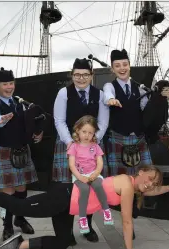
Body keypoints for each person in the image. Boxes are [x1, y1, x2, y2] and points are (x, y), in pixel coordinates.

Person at [0, 165, 169, 249]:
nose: (151, 184)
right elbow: (126, 221)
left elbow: (154, 190)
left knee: (64, 242)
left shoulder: (133, 186)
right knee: (20, 206)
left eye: (154, 183)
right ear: (141, 171)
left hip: (68, 208)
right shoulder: (125, 183)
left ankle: (19, 244)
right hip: (65, 197)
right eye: (150, 178)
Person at [52, 58, 109, 242]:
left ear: (91, 76)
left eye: (85, 75)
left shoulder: (99, 94)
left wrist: (93, 140)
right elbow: (59, 120)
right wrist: (70, 142)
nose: (81, 78)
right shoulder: (64, 93)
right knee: (66, 188)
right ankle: (66, 232)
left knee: (90, 185)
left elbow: (102, 121)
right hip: (67, 144)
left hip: (90, 146)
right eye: (77, 75)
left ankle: (87, 227)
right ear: (72, 75)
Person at [0, 68, 42, 241]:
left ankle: (20, 217)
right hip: (2, 150)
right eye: (5, 84)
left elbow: (30, 121)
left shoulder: (19, 102)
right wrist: (0, 120)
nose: (9, 87)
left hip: (21, 149)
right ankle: (7, 225)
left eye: (11, 83)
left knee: (22, 189)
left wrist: (37, 132)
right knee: (7, 192)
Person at [102, 49, 169, 176]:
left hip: (139, 139)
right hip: (118, 140)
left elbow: (147, 110)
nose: (122, 68)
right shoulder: (109, 86)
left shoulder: (140, 88)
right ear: (112, 69)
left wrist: (162, 99)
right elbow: (107, 94)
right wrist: (111, 99)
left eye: (125, 65)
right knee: (119, 183)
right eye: (117, 66)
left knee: (144, 180)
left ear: (129, 66)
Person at [68, 115, 113, 234]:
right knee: (84, 189)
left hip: (93, 173)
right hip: (79, 175)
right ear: (77, 130)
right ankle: (82, 218)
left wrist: (96, 174)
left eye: (90, 133)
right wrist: (80, 177)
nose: (87, 135)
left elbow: (100, 163)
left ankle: (106, 210)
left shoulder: (95, 146)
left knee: (98, 185)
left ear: (94, 134)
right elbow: (72, 165)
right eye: (84, 132)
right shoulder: (74, 146)